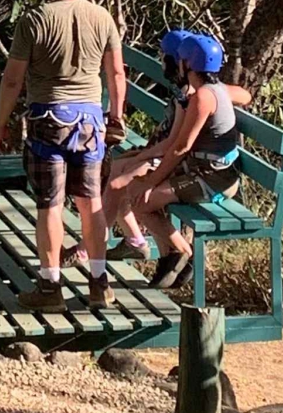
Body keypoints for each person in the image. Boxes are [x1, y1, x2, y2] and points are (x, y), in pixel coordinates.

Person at [0, 0, 126, 311]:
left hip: (46, 122)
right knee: (91, 202)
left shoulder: (33, 20)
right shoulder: (101, 17)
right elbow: (116, 73)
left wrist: (2, 124)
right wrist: (116, 113)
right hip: (90, 123)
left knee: (50, 205)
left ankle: (51, 287)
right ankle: (100, 283)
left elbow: (12, 81)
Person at [124, 33, 253, 288]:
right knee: (136, 190)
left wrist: (152, 181)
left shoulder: (203, 98)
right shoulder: (214, 89)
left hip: (213, 179)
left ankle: (182, 254)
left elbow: (181, 147)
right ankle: (171, 259)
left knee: (142, 200)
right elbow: (244, 95)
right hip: (209, 170)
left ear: (187, 65)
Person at [68, 28, 197, 267]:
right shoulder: (183, 90)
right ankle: (135, 242)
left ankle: (89, 249)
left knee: (117, 184)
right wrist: (141, 153)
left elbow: (175, 143)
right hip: (159, 151)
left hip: (169, 159)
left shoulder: (190, 95)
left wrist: (144, 155)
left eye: (166, 57)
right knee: (111, 172)